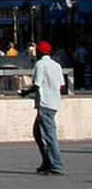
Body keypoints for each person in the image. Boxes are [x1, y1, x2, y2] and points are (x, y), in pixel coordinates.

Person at [23, 40, 65, 175]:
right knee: (38, 132)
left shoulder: (40, 65)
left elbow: (37, 85)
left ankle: (56, 165)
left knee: (49, 135)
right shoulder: (56, 65)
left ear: (40, 52)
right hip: (54, 102)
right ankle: (47, 161)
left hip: (45, 103)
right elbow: (62, 85)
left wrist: (25, 92)